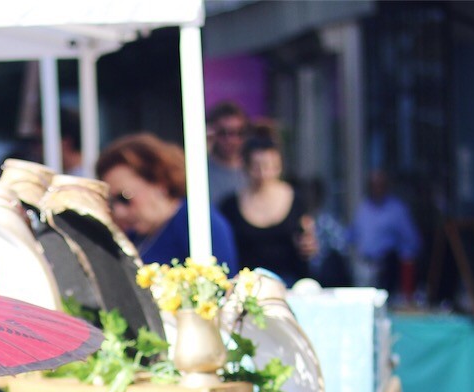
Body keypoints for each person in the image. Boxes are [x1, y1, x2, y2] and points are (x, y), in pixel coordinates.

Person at [96, 132, 239, 272]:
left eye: (124, 197)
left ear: (159, 182)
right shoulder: (135, 235)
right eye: (111, 202)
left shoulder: (199, 225)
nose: (119, 211)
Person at [219, 136, 317, 284]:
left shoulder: (297, 199)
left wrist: (309, 245)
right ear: (245, 166)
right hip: (248, 286)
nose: (264, 173)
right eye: (256, 167)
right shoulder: (230, 206)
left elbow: (308, 240)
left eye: (271, 166)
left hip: (291, 285)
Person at [347, 169, 422, 297]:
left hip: (388, 270)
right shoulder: (363, 208)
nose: (377, 189)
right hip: (364, 268)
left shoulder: (397, 209)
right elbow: (352, 234)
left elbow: (412, 241)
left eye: (380, 185)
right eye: (373, 185)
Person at [205, 101, 249, 208]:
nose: (231, 140)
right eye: (223, 133)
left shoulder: (253, 169)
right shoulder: (201, 171)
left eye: (238, 132)